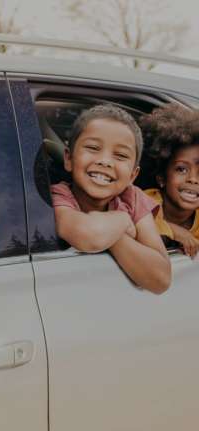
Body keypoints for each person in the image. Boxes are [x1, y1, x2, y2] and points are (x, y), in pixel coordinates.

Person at [51, 104, 171, 294]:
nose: (105, 161)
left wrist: (112, 235)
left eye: (121, 155)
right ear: (68, 158)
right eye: (92, 147)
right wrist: (122, 221)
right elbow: (87, 235)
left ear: (133, 175)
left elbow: (161, 279)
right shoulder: (59, 195)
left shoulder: (133, 198)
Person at [140, 104, 199, 258]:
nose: (193, 179)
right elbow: (130, 223)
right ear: (162, 178)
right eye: (181, 169)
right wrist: (171, 229)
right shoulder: (146, 201)